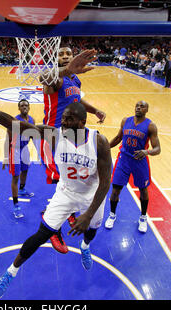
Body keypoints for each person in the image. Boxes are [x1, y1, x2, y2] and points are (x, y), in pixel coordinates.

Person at [0, 88, 112, 299]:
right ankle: (10, 272)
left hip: (92, 196)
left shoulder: (99, 142)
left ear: (83, 122)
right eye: (63, 119)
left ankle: (85, 247)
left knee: (91, 230)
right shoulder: (54, 134)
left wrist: (87, 215)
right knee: (41, 234)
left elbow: (106, 182)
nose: (64, 123)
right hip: (66, 192)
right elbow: (13, 125)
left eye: (69, 119)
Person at [38, 47, 107, 253]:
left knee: (74, 179)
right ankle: (52, 224)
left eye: (68, 53)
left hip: (74, 137)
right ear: (55, 58)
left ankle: (65, 213)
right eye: (61, 54)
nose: (66, 56)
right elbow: (43, 78)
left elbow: (77, 100)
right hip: (54, 137)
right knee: (64, 182)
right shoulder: (55, 79)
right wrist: (67, 69)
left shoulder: (75, 80)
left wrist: (94, 110)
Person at [104, 101, 161, 233]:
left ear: (147, 110)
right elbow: (118, 138)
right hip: (123, 159)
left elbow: (157, 149)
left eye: (142, 106)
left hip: (139, 161)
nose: (138, 108)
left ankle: (143, 217)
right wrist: (105, 147)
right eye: (137, 105)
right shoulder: (126, 121)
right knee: (115, 190)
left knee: (143, 190)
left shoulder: (150, 126)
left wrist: (146, 152)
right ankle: (112, 215)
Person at [2, 99, 35, 218]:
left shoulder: (31, 120)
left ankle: (22, 189)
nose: (24, 107)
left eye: (26, 105)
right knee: (15, 177)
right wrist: (6, 156)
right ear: (19, 108)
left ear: (29, 107)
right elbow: (7, 139)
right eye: (22, 106)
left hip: (25, 148)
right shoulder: (14, 121)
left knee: (25, 170)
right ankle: (16, 205)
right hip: (14, 149)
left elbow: (33, 136)